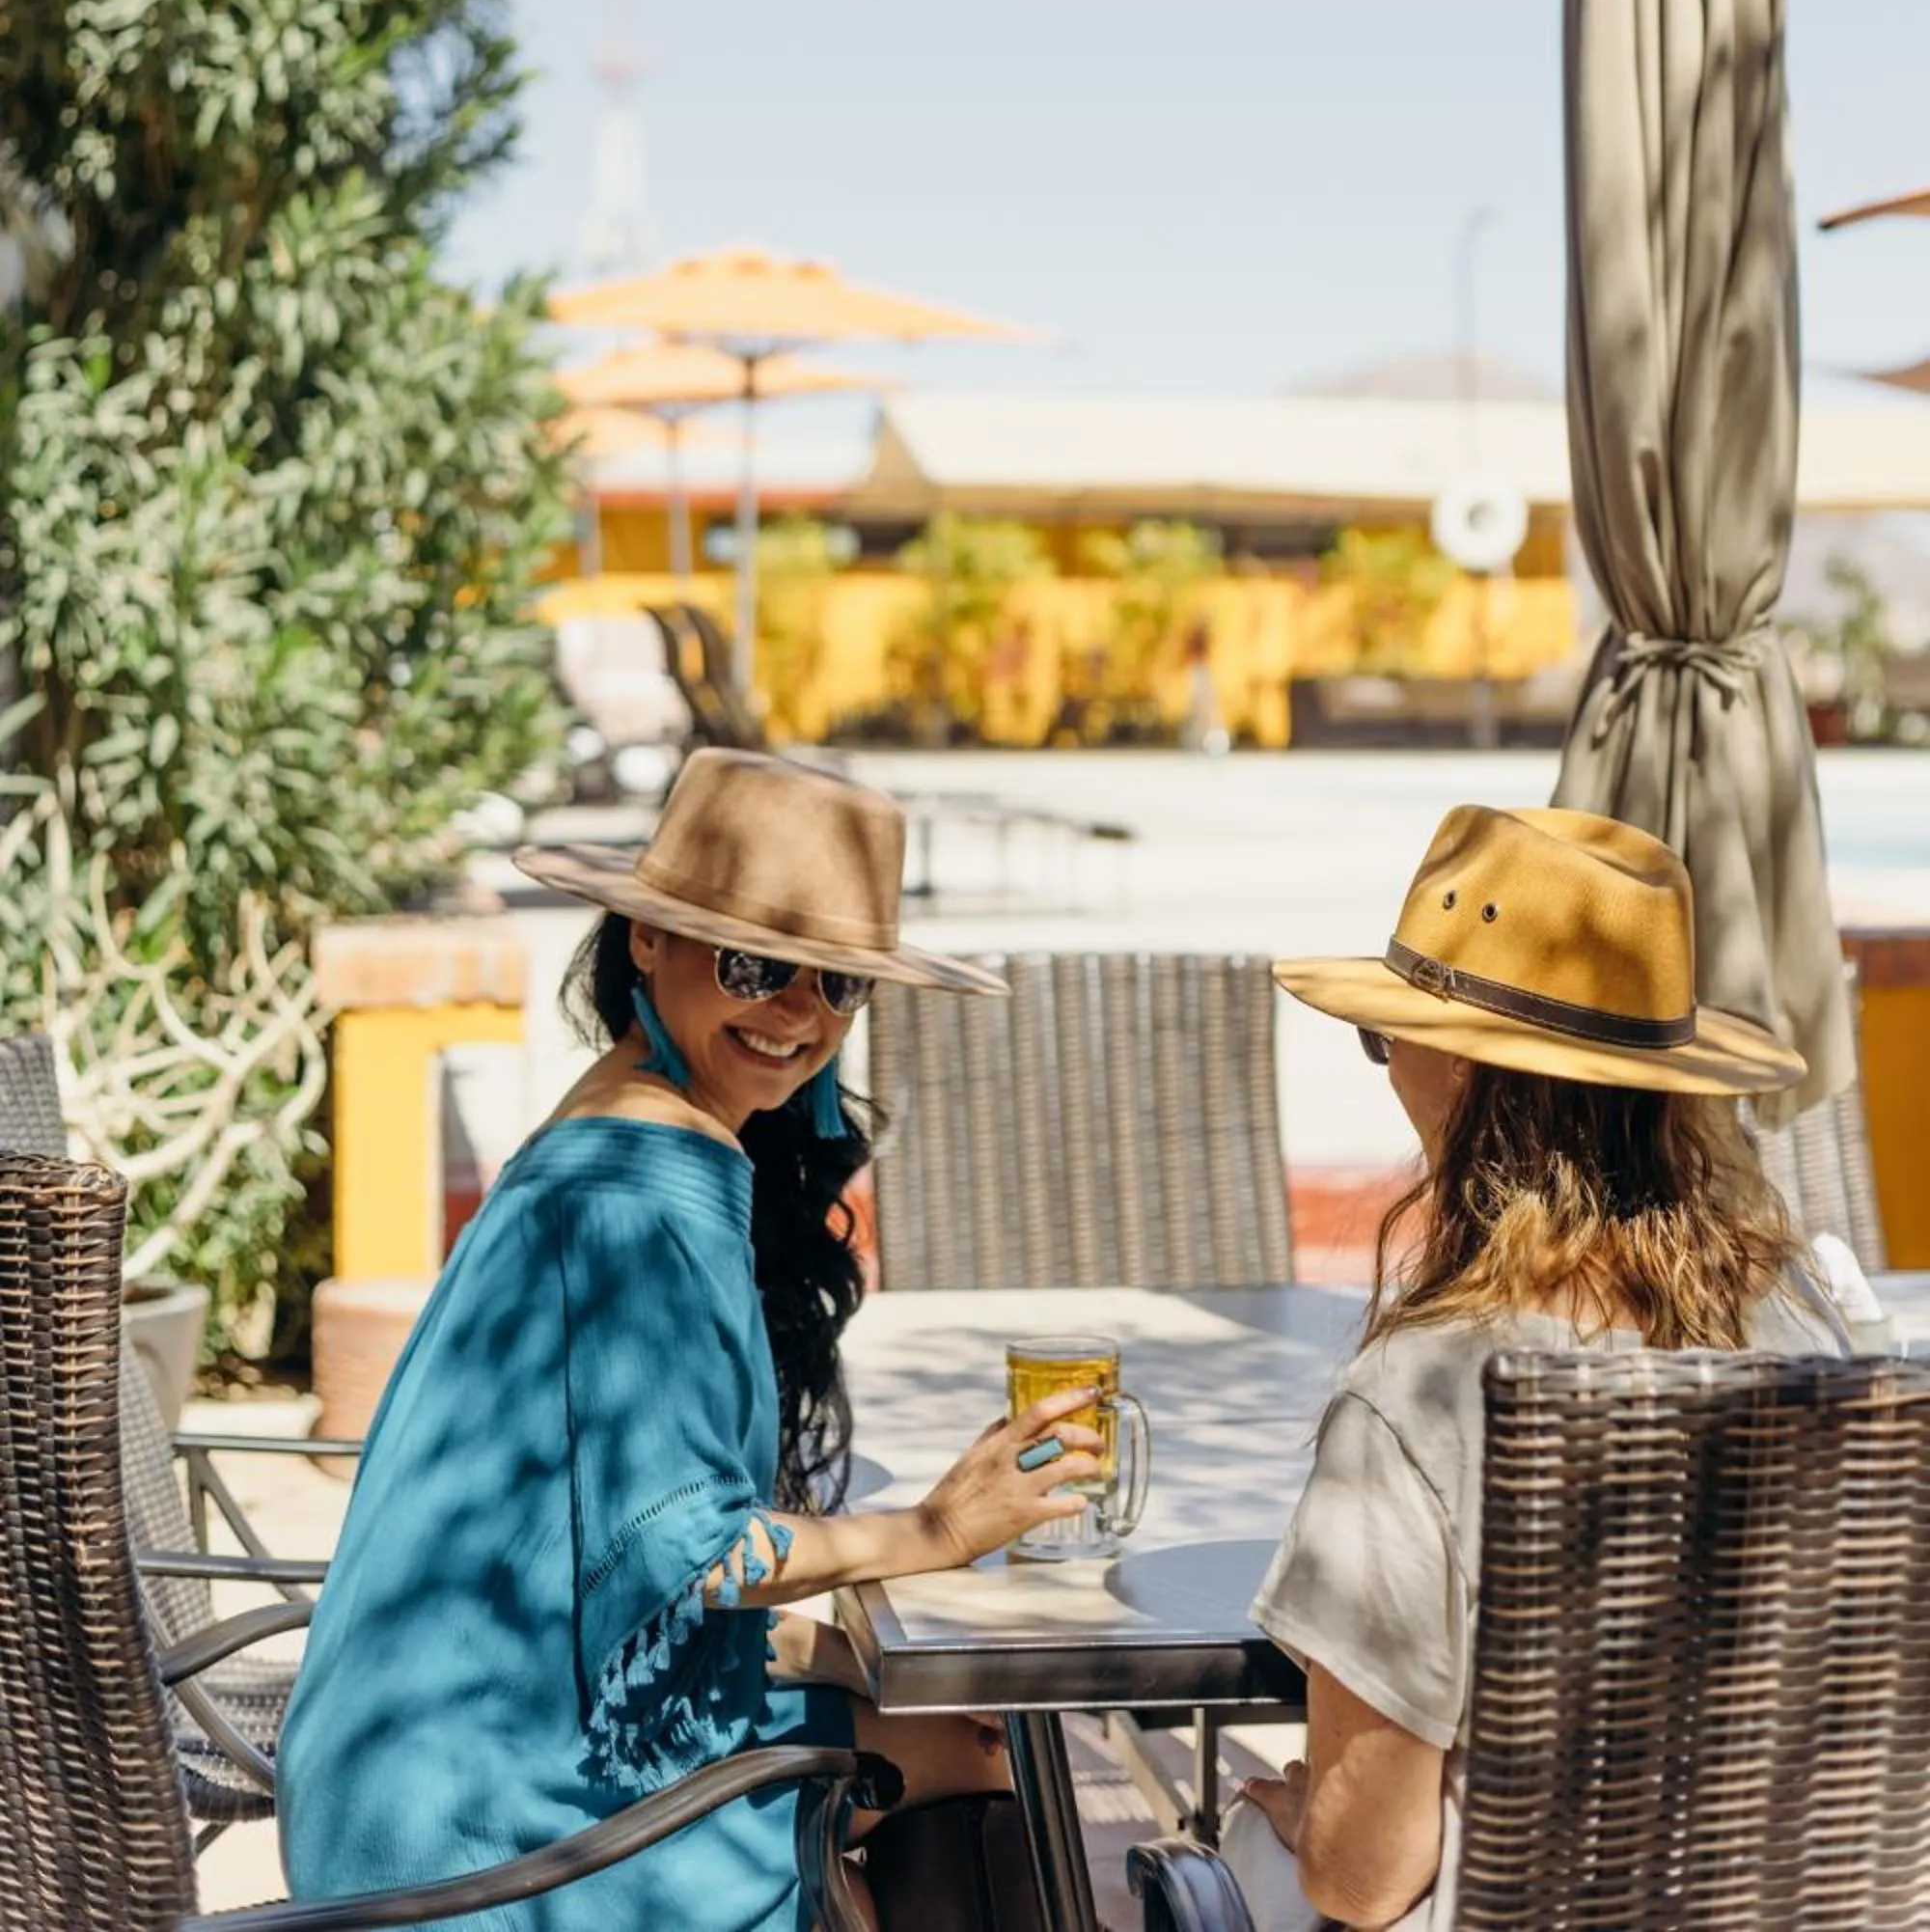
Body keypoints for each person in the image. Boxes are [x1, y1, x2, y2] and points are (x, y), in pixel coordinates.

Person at [278, 748, 1101, 1932]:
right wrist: (932, 1530)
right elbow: (684, 1556)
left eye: (838, 985)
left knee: (952, 1733)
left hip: (409, 1758)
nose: (796, 1014)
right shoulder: (644, 1191)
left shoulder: (616, 1121)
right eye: (756, 964)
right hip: (486, 1828)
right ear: (644, 942)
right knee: (985, 1757)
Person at [1224, 803, 1844, 1932]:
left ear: (1466, 1074)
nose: (1388, 1067)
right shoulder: (1803, 1328)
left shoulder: (1426, 1393)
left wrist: (1307, 1814)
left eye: (1386, 1035)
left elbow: (1362, 1878)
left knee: (1252, 1863)